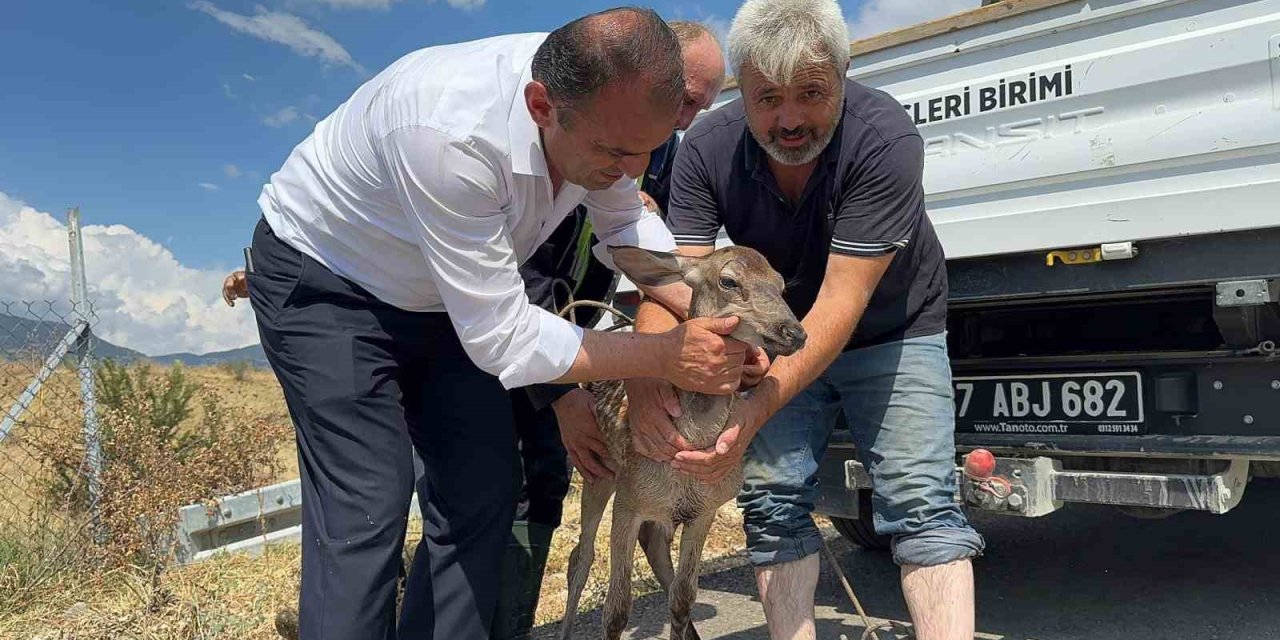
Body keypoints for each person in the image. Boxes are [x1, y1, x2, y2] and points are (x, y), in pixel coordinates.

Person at [240, 8, 755, 640]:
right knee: (367, 503)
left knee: (482, 486)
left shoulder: (604, 109)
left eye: (643, 153)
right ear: (542, 107)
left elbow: (624, 225)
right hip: (330, 283)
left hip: (438, 297)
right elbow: (504, 338)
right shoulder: (449, 133)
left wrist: (711, 312)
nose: (629, 171)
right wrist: (662, 353)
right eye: (615, 153)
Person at [626, 1, 986, 639]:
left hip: (893, 329)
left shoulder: (884, 140)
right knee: (773, 503)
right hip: (778, 336)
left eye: (812, 94)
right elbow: (673, 282)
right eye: (767, 98)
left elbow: (840, 305)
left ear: (843, 77)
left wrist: (752, 408)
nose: (789, 119)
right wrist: (647, 378)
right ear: (741, 88)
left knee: (921, 506)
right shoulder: (707, 148)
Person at [491, 20, 726, 640]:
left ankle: (509, 625)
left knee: (547, 479)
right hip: (496, 336)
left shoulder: (661, 154)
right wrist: (563, 395)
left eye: (697, 108)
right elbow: (516, 286)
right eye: (681, 100)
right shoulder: (569, 140)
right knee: (485, 488)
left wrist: (708, 325)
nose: (683, 121)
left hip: (574, 336)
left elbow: (654, 266)